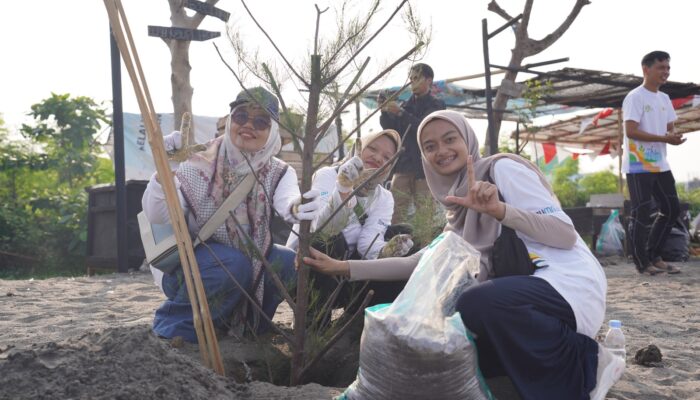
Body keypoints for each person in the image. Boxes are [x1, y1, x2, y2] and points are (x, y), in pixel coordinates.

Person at [304, 110, 624, 400]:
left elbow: (565, 234)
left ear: (466, 138)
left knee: (474, 303)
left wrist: (501, 210)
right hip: (523, 296)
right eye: (430, 147)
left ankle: (585, 361)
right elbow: (419, 262)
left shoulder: (502, 168)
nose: (441, 151)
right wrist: (342, 267)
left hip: (565, 282)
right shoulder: (457, 208)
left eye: (449, 139)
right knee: (457, 336)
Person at [142, 87, 321, 343]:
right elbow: (158, 215)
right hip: (187, 268)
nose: (249, 125)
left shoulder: (279, 172)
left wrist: (297, 208)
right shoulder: (198, 161)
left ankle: (250, 330)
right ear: (229, 121)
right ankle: (176, 330)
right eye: (240, 116)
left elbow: (288, 201)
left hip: (244, 264)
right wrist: (164, 173)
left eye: (260, 121)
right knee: (231, 262)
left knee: (286, 263)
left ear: (272, 132)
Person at [286, 129, 413, 309]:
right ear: (358, 147)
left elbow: (366, 245)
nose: (378, 158)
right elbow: (323, 229)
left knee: (406, 232)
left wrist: (386, 251)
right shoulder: (328, 175)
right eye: (373, 149)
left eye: (387, 158)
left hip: (343, 274)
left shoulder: (383, 197)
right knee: (331, 240)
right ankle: (312, 322)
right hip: (302, 269)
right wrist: (343, 190)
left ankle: (354, 323)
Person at [622, 50, 685, 275]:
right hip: (638, 164)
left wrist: (674, 136)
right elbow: (631, 131)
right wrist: (664, 138)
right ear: (646, 69)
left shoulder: (664, 98)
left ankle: (655, 256)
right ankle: (642, 263)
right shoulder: (635, 97)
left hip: (661, 163)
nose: (665, 72)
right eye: (661, 68)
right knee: (641, 212)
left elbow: (670, 127)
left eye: (668, 68)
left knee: (671, 208)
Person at [379, 63, 446, 223]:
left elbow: (426, 128)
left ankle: (425, 247)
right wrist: (384, 111)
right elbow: (391, 129)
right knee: (395, 212)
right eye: (411, 78)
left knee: (425, 215)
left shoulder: (436, 104)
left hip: (424, 167)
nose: (412, 82)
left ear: (428, 80)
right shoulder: (405, 105)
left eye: (417, 78)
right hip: (403, 166)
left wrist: (401, 113)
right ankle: (394, 245)